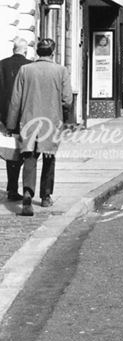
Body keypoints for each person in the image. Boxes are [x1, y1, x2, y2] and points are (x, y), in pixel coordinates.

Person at [6, 38, 72, 216]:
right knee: (49, 159)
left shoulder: (25, 70)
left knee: (29, 158)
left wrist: (12, 125)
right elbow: (67, 100)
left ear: (37, 52)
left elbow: (15, 101)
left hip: (29, 121)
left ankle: (27, 192)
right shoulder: (61, 71)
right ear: (53, 52)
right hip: (51, 121)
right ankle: (46, 196)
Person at [0, 38, 30, 202]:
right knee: (27, 153)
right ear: (25, 50)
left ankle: (12, 188)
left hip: (6, 117)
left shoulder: (1, 65)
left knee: (11, 152)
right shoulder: (30, 66)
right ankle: (23, 188)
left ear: (13, 49)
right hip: (26, 116)